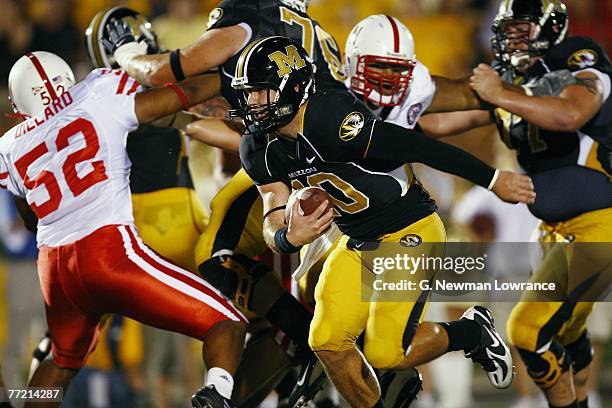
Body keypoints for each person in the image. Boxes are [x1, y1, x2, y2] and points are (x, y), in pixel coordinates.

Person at [232, 35, 536, 407]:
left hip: (409, 229)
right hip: (357, 240)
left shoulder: (332, 119)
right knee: (325, 341)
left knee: (384, 353)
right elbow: (272, 212)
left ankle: (471, 332)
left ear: (295, 87)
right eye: (248, 93)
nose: (253, 103)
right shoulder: (256, 146)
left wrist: (491, 179)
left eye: (263, 92)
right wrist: (285, 238)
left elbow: (419, 147)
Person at [97, 1, 347, 402]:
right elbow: (231, 119)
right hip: (326, 166)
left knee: (220, 258)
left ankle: (301, 354)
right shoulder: (306, 34)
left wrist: (127, 51)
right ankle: (304, 365)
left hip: (295, 172)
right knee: (270, 300)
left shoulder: (249, 21)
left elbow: (167, 73)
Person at [0, 51, 247, 408]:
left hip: (54, 270)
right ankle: (216, 396)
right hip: (109, 253)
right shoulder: (97, 90)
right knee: (227, 321)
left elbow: (30, 218)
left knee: (62, 361)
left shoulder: (9, 144)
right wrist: (228, 76)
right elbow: (180, 96)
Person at [461, 1, 612, 408]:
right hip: (551, 231)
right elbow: (439, 121)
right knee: (567, 335)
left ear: (550, 28)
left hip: (600, 225)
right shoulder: (516, 81)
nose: (511, 39)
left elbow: (569, 113)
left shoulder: (575, 57)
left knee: (527, 331)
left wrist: (500, 95)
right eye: (506, 30)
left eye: (521, 29)